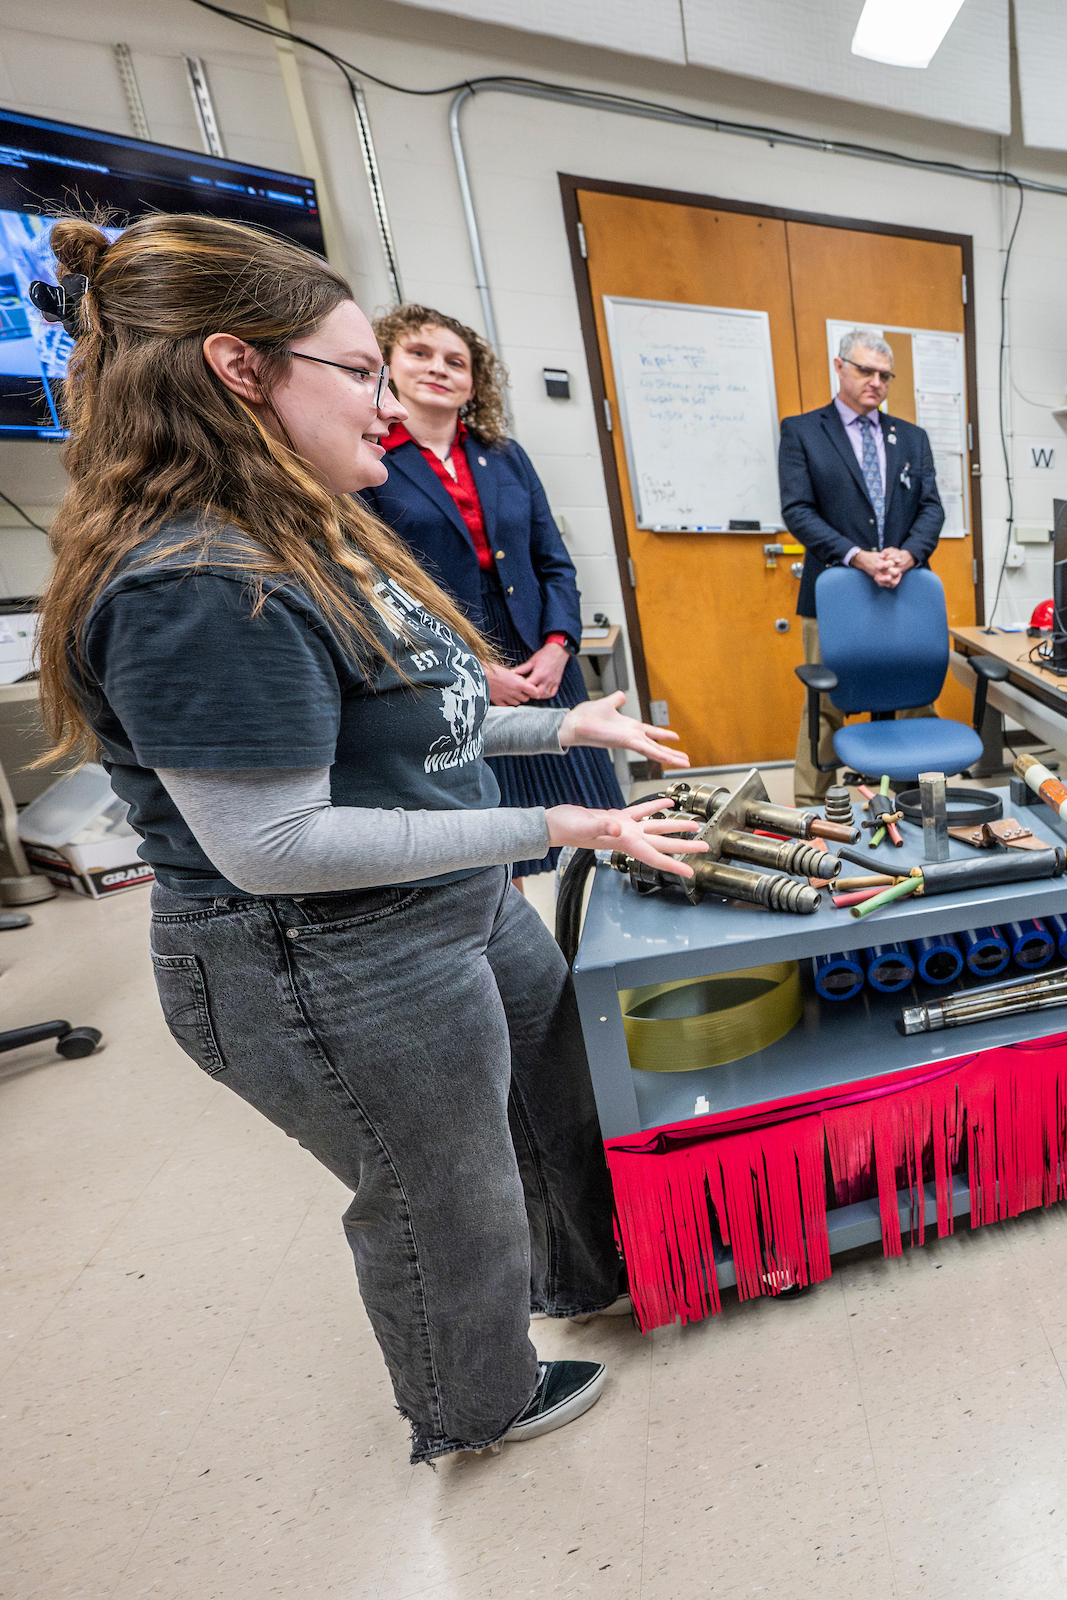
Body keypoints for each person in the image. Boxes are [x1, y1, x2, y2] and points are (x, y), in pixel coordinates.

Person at [35, 215, 701, 1461]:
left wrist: (564, 719)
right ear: (240, 369)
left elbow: (418, 730)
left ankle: (582, 1281)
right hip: (319, 956)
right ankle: (475, 1405)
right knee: (442, 1192)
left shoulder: (317, 528)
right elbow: (275, 841)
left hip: (449, 895)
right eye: (357, 372)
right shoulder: (199, 583)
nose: (384, 404)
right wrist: (556, 815)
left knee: (554, 1095)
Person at [360, 304, 623, 878]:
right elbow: (376, 583)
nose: (439, 369)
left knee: (596, 825)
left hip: (540, 655)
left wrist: (560, 645)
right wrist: (474, 667)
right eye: (420, 354)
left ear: (474, 381)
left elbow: (553, 560)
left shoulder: (505, 455)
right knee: (499, 843)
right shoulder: (374, 459)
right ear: (387, 365)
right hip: (448, 662)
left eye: (456, 361)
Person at [778, 328, 945, 801]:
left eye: (884, 375)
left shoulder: (910, 439)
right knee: (825, 704)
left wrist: (908, 554)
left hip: (904, 589)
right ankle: (811, 809)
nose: (876, 381)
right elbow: (798, 510)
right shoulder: (804, 432)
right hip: (834, 596)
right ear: (839, 366)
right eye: (865, 370)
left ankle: (922, 802)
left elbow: (932, 508)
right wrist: (859, 557)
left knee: (915, 697)